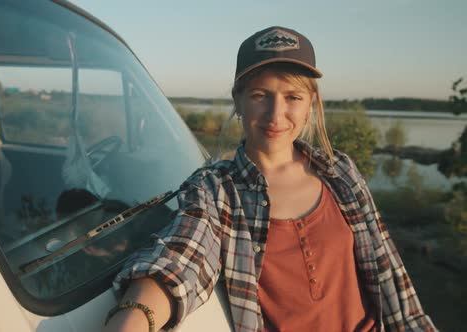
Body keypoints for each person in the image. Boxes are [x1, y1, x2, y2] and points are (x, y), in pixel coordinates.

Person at [103, 26, 437, 332]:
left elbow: (392, 280)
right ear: (238, 101)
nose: (276, 115)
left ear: (311, 104)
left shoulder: (341, 173)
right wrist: (135, 317)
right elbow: (182, 258)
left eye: (293, 97)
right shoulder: (216, 189)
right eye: (260, 96)